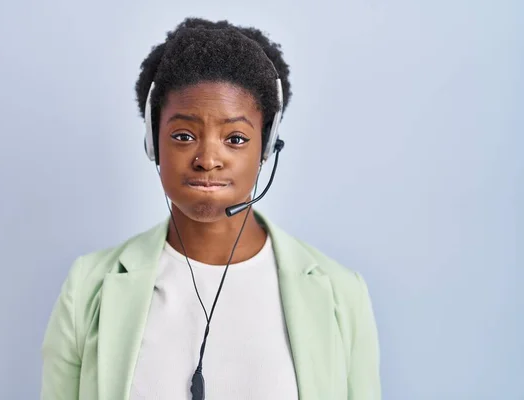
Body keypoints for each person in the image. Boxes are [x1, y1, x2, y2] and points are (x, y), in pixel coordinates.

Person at [41, 17, 381, 400]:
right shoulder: (88, 286)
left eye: (235, 138)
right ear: (153, 142)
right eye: (183, 136)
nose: (207, 159)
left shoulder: (341, 293)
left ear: (266, 148)